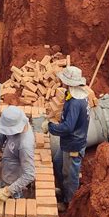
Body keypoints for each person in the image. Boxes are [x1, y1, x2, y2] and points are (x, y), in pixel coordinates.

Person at [43, 66, 89, 209]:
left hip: (73, 144)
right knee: (57, 162)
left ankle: (69, 202)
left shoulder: (76, 102)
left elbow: (68, 127)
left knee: (70, 175)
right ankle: (63, 191)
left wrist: (51, 127)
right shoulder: (74, 95)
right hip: (68, 142)